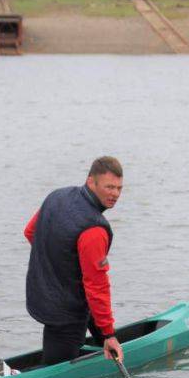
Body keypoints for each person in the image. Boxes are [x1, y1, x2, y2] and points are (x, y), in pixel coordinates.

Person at [24, 156, 125, 366]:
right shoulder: (94, 230)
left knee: (100, 326)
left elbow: (32, 232)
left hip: (43, 291)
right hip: (65, 311)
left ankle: (107, 343)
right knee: (55, 372)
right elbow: (96, 286)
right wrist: (109, 333)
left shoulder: (57, 197)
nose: (115, 194)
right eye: (109, 187)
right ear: (91, 182)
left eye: (119, 188)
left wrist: (57, 268)